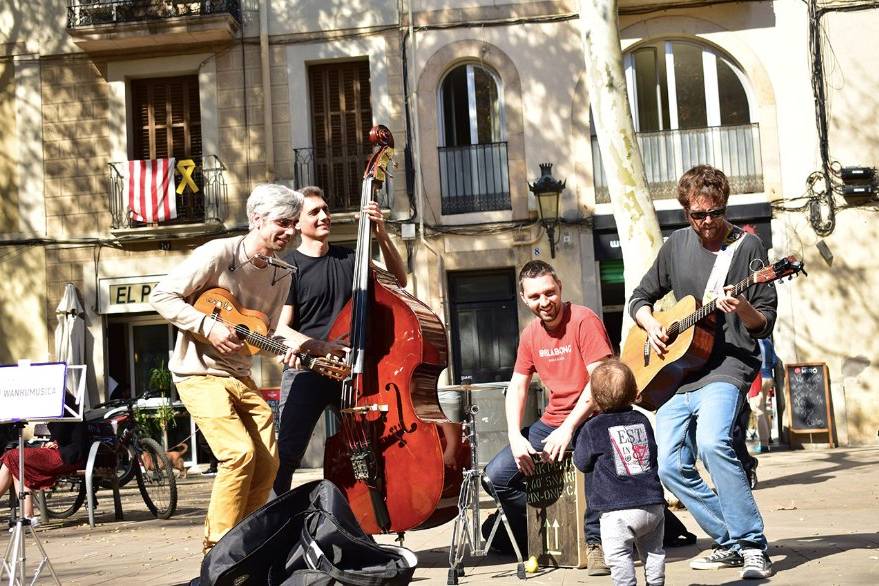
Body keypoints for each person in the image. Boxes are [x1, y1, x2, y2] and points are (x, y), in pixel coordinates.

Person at [629, 165, 777, 579]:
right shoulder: (676, 245)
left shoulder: (748, 248)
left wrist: (742, 306)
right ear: (685, 213)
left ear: (724, 208)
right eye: (698, 215)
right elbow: (640, 298)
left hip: (728, 366)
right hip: (679, 372)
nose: (708, 222)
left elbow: (764, 322)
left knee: (713, 444)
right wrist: (654, 325)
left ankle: (752, 546)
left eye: (715, 213)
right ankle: (728, 539)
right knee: (669, 466)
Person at [150, 183, 315, 553]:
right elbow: (161, 294)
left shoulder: (283, 273)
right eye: (282, 223)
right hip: (198, 372)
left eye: (293, 224)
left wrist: (304, 348)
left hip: (240, 374)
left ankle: (248, 542)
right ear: (256, 219)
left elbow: (266, 332)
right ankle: (218, 548)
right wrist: (208, 326)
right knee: (238, 453)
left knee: (269, 461)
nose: (290, 232)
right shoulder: (219, 253)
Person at [272, 186, 408, 496]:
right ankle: (271, 525)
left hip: (352, 371)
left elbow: (398, 282)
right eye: (314, 212)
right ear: (296, 224)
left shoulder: (351, 258)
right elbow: (280, 327)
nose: (323, 216)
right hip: (308, 369)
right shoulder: (288, 267)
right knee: (288, 453)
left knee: (372, 447)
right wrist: (315, 346)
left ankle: (368, 519)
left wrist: (382, 234)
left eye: (325, 209)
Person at [482, 260, 613, 575]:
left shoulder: (584, 320)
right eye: (536, 297)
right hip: (551, 421)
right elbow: (517, 386)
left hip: (590, 415)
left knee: (589, 457)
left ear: (560, 289)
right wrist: (515, 436)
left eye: (549, 293)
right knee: (496, 476)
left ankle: (595, 544)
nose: (545, 302)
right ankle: (545, 534)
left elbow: (600, 383)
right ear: (525, 300)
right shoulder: (530, 335)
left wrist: (568, 429)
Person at [573, 358, 666, 586]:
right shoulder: (642, 420)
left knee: (619, 557)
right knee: (653, 552)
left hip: (616, 511)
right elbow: (652, 453)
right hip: (652, 504)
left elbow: (582, 463)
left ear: (593, 399)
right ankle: (656, 583)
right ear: (635, 393)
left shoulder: (592, 427)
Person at [0, 395, 89, 524]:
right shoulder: (60, 401)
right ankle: (27, 516)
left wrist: (53, 442)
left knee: (13, 456)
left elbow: (63, 433)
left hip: (68, 456)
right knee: (16, 462)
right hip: (62, 453)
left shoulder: (66, 401)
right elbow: (60, 434)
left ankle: (28, 516)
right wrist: (51, 442)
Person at [749, 338, 777, 453]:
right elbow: (775, 360)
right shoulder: (768, 341)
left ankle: (764, 444)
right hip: (769, 377)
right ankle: (768, 438)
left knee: (757, 410)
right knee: (763, 408)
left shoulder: (751, 339)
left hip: (758, 377)